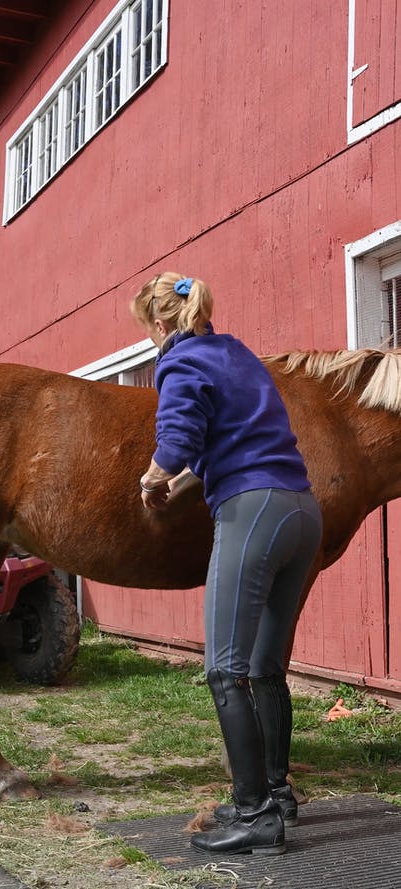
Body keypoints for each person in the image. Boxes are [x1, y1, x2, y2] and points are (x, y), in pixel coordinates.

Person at [131, 272, 323, 856]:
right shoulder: (235, 352)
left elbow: (179, 436)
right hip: (300, 509)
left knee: (224, 670)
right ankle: (276, 792)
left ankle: (254, 814)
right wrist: (184, 483)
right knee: (265, 666)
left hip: (254, 513)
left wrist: (152, 477)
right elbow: (231, 440)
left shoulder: (179, 361)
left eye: (148, 331)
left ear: (161, 326)